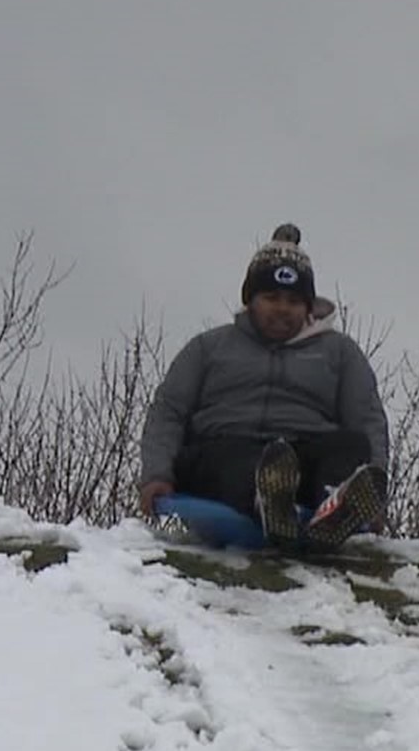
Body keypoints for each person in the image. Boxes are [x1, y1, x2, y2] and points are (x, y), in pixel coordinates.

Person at [137, 224, 390, 549]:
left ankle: (336, 506)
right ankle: (267, 501)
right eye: (271, 297)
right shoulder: (209, 348)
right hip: (225, 451)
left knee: (348, 445)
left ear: (308, 307)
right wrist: (157, 475)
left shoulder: (338, 353)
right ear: (250, 300)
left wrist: (376, 490)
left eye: (293, 300)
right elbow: (168, 412)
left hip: (302, 457)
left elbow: (367, 418)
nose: (282, 308)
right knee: (234, 460)